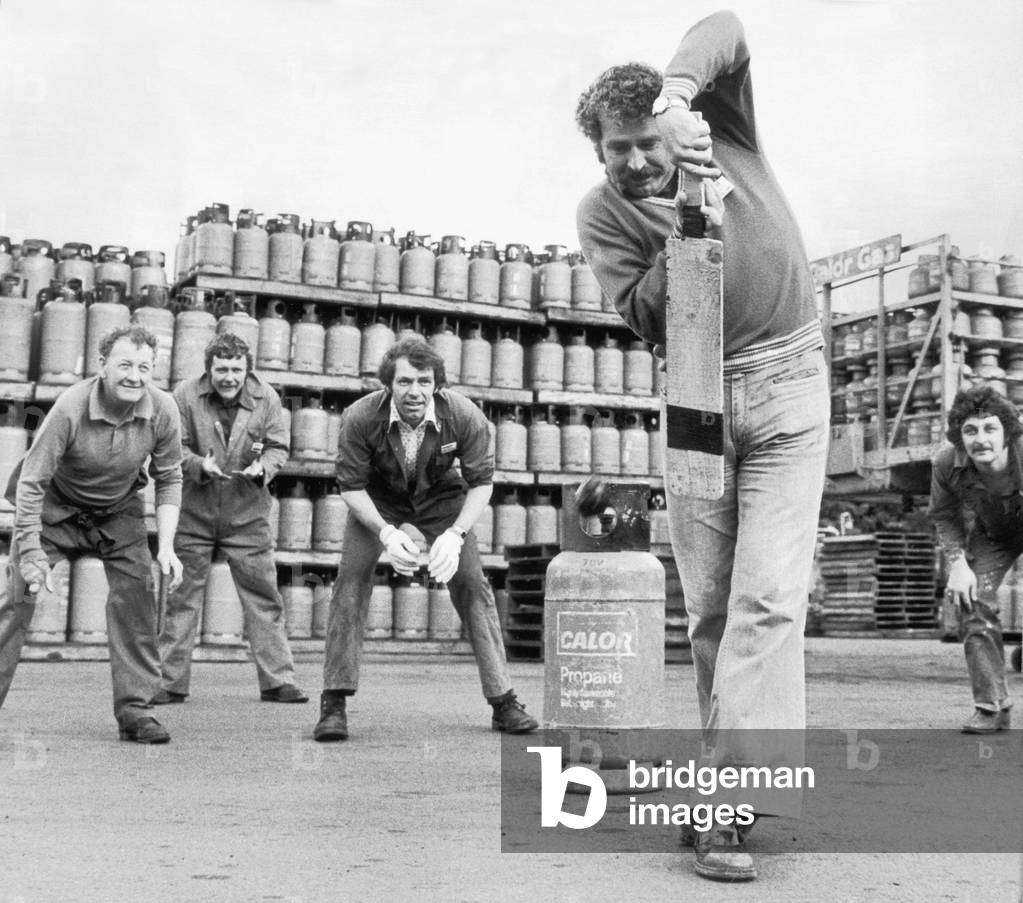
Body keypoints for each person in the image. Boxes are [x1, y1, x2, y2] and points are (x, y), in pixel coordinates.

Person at [575, 10, 829, 881]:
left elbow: (724, 23)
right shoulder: (602, 216)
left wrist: (682, 98)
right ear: (598, 154)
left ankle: (720, 805)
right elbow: (647, 315)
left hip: (790, 382)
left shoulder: (725, 129)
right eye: (618, 149)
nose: (637, 159)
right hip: (693, 398)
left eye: (647, 138)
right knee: (713, 609)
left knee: (767, 599)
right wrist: (689, 211)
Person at [313, 337, 537, 742]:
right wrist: (385, 532)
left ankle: (504, 701)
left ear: (437, 383)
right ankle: (334, 703)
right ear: (388, 385)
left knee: (472, 583)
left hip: (440, 498)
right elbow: (350, 486)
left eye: (423, 381)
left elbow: (482, 483)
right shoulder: (360, 417)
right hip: (378, 499)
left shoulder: (464, 415)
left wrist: (455, 534)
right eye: (403, 382)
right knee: (350, 581)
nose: (414, 391)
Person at [0, 325, 184, 744]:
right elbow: (31, 481)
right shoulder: (70, 406)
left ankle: (136, 711)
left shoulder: (163, 409)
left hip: (117, 512)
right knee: (18, 601)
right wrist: (30, 553)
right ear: (101, 366)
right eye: (125, 365)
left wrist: (167, 545)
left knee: (136, 595)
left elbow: (169, 475)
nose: (135, 376)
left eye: (144, 367)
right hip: (55, 509)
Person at [155, 332, 307, 705]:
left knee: (263, 596)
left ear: (247, 369)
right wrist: (196, 465)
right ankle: (168, 682)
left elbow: (278, 447)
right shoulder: (185, 396)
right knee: (181, 597)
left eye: (236, 369)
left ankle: (278, 681)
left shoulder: (266, 398)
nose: (229, 377)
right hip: (195, 511)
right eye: (221, 369)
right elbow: (172, 447)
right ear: (209, 369)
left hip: (247, 514)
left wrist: (264, 468)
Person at [929, 385, 1020, 734]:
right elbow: (944, 516)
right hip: (994, 531)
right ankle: (992, 706)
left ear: (1007, 432)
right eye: (970, 430)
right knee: (972, 599)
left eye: (989, 428)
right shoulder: (946, 463)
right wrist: (957, 563)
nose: (980, 439)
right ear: (959, 437)